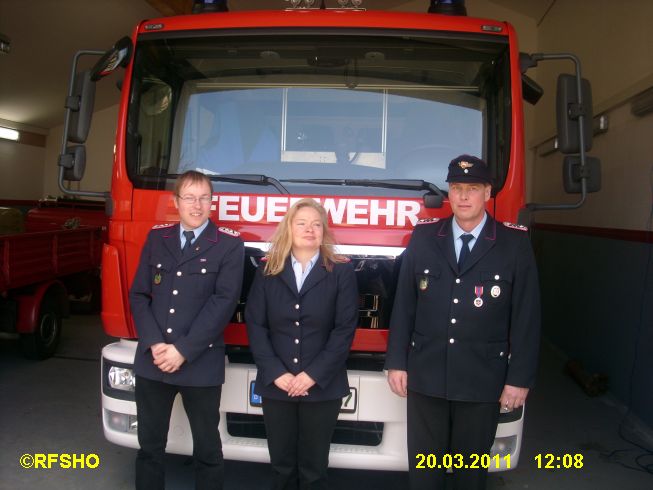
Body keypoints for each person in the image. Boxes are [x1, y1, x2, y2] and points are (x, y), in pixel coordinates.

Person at [385, 155, 541, 490]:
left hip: (482, 380)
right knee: (425, 475)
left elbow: (527, 316)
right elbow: (404, 304)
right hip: (427, 377)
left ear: (487, 193)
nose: (464, 196)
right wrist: (396, 361)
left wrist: (519, 379)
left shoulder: (513, 243)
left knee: (471, 476)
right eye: (457, 188)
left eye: (472, 188)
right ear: (449, 194)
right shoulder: (425, 237)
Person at [129, 170, 245, 490]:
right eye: (190, 198)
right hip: (154, 363)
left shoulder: (229, 245)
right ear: (176, 202)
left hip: (200, 364)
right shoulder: (157, 238)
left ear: (212, 201)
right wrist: (154, 344)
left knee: (207, 450)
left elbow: (223, 303)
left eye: (204, 198)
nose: (197, 205)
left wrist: (182, 350)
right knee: (149, 449)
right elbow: (139, 295)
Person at [245, 198, 359, 490]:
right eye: (302, 223)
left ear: (324, 231)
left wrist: (311, 375)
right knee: (281, 467)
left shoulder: (341, 272)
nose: (310, 230)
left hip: (322, 387)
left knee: (314, 469)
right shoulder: (268, 270)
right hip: (277, 385)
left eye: (316, 224)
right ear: (289, 229)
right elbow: (256, 325)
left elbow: (344, 330)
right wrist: (277, 373)